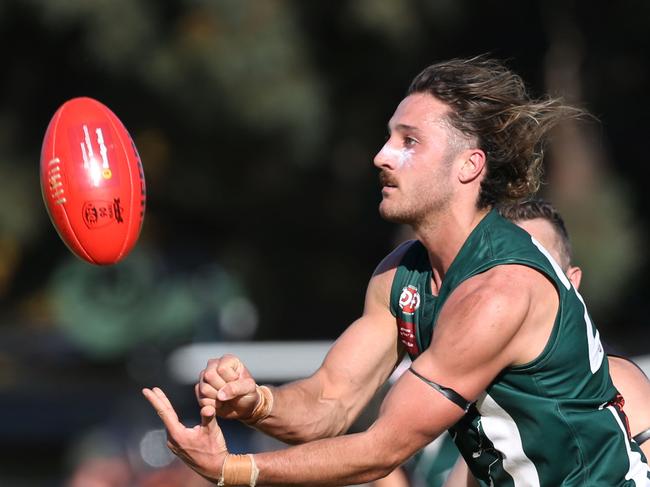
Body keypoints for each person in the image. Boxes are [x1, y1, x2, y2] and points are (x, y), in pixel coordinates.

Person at [143, 56, 650, 486]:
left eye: (409, 141)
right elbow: (332, 401)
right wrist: (257, 403)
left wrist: (233, 469)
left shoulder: (500, 291)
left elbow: (383, 448)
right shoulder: (400, 277)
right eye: (389, 138)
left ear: (469, 166)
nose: (381, 156)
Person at [380, 199, 650, 487]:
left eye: (537, 270)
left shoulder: (614, 382)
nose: (516, 286)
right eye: (498, 272)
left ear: (571, 283)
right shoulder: (492, 407)